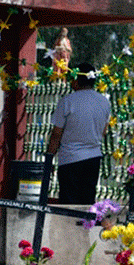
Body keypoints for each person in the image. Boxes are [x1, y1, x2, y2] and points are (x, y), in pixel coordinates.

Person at [46, 63, 110, 204]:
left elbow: (56, 134)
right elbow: (104, 131)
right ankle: (85, 226)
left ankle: (67, 227)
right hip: (93, 158)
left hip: (70, 159)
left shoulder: (67, 101)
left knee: (69, 202)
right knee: (87, 201)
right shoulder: (104, 102)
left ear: (76, 80)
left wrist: (49, 157)